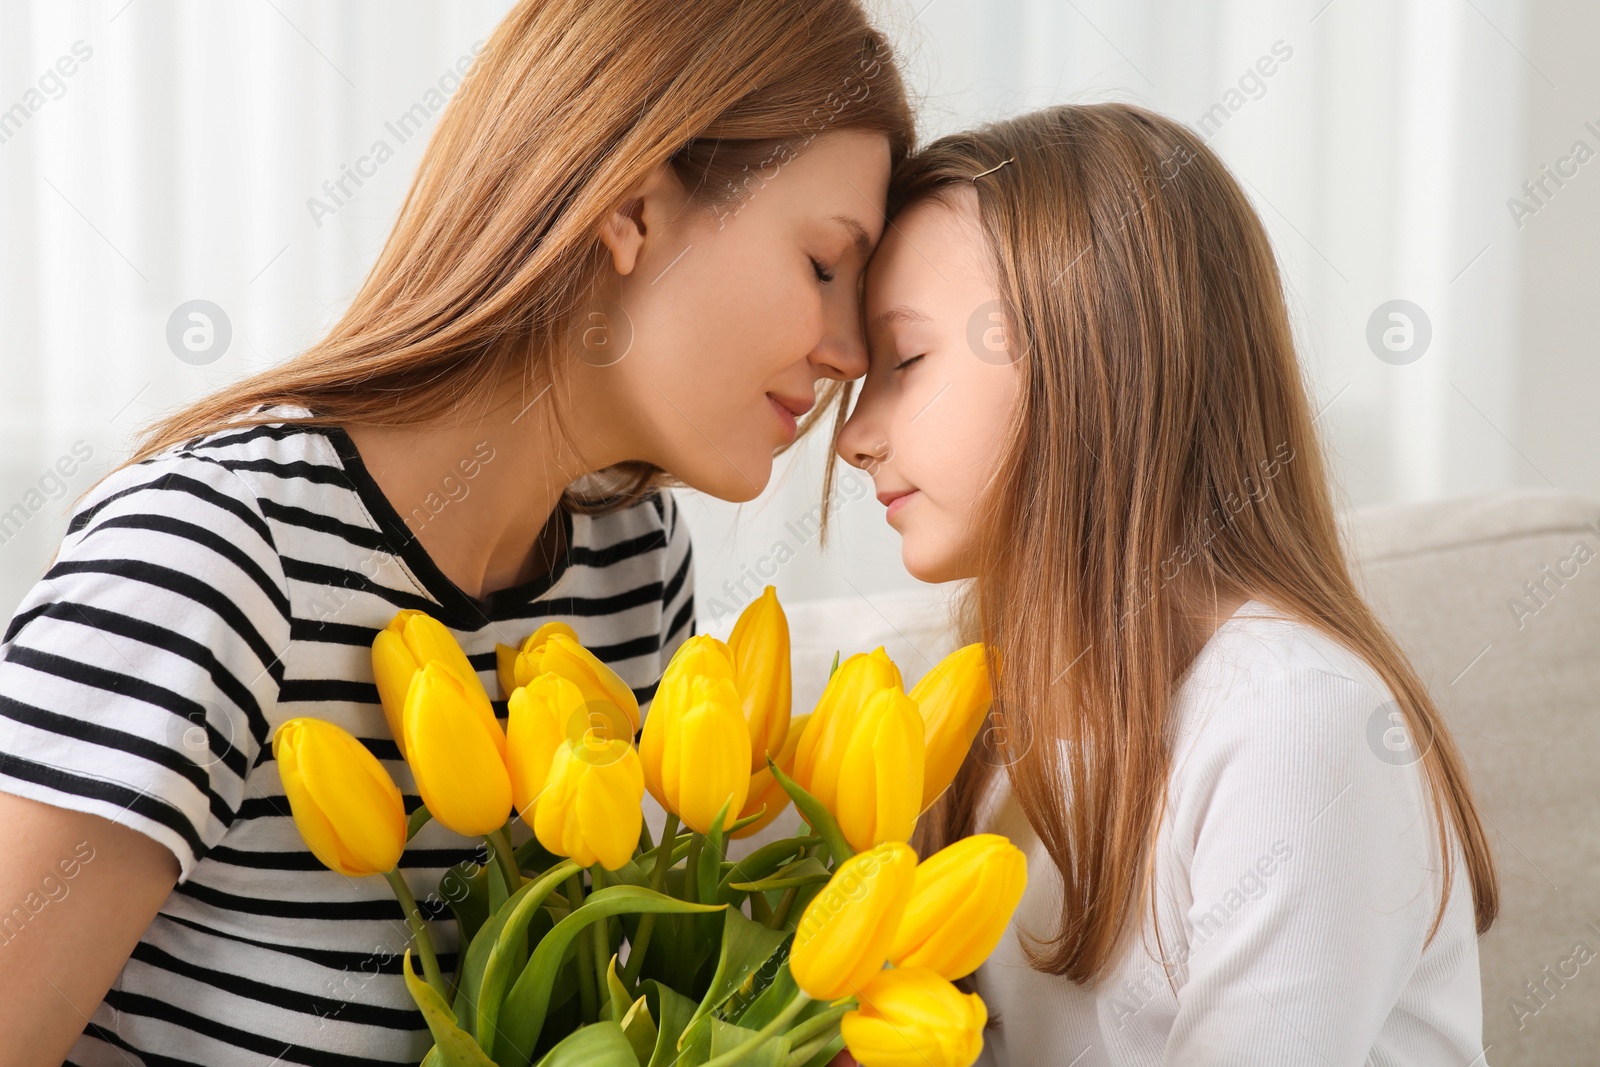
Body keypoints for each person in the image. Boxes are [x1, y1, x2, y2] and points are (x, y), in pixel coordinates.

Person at [0, 0, 913, 1061]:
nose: (852, 351)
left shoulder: (630, 562)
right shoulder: (218, 557)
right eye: (821, 264)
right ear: (629, 208)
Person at [829, 102, 1499, 1065]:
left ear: (1093, 354)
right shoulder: (992, 718)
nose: (855, 435)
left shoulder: (1289, 721)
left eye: (906, 359)